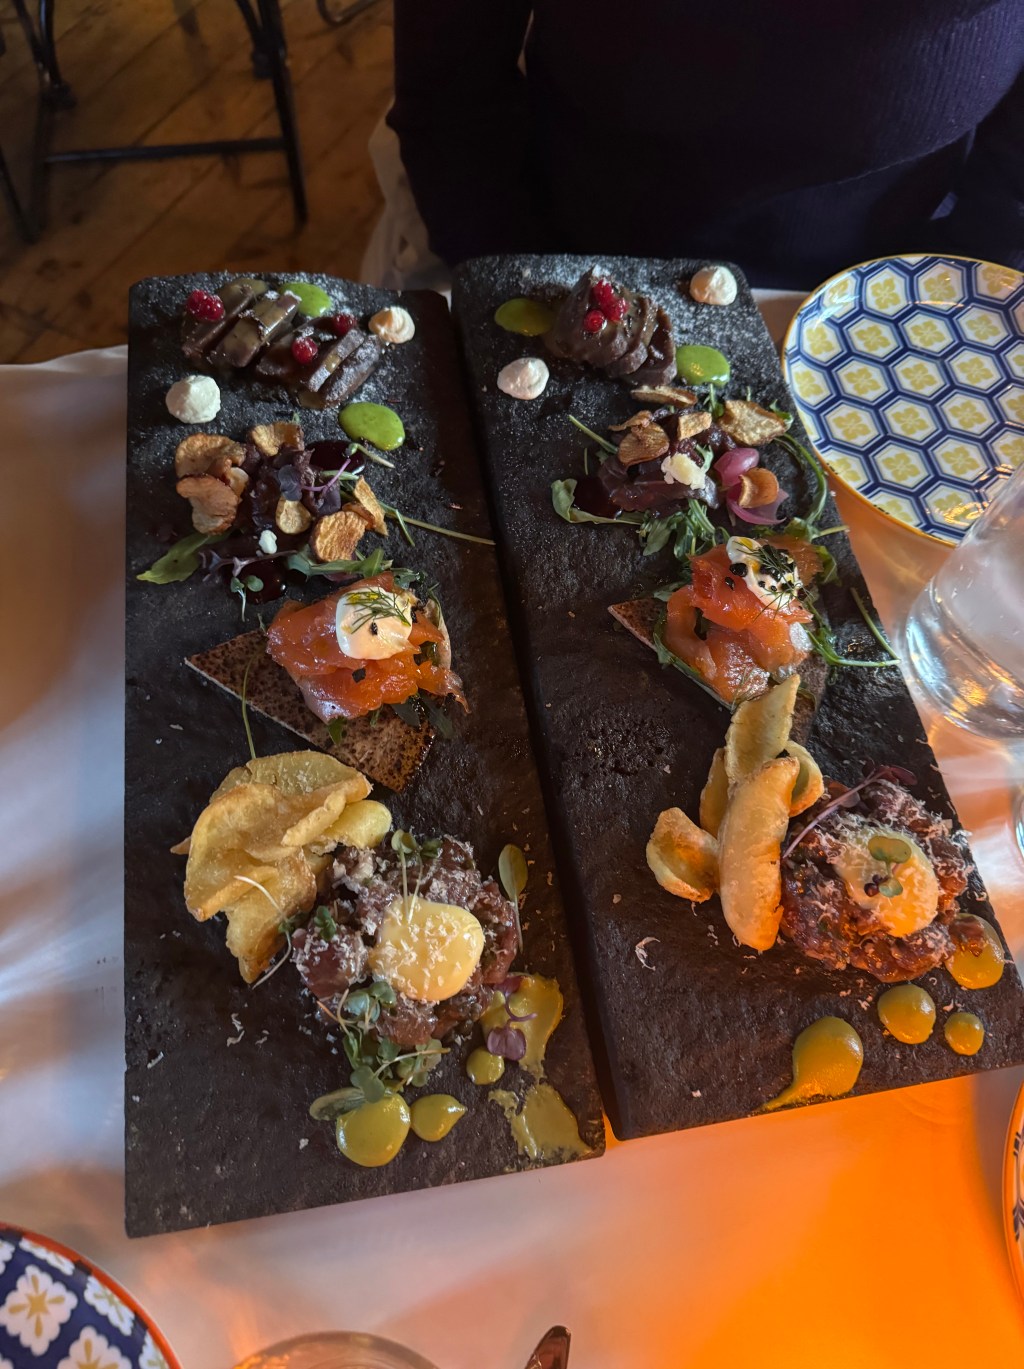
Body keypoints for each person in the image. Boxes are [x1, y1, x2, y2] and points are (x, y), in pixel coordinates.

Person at [373, 0, 1023, 291]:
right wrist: (533, 296)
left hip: (901, 285)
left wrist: (960, 303)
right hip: (558, 247)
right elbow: (451, 101)